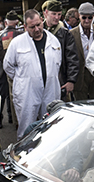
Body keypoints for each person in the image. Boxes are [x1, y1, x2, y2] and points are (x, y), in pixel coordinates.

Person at [4, 9, 62, 139]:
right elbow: (8, 66)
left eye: (38, 25)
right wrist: (23, 79)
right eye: (32, 27)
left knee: (51, 126)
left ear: (42, 20)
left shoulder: (53, 41)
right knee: (26, 128)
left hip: (50, 89)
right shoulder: (17, 43)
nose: (36, 29)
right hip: (27, 92)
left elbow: (58, 64)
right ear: (25, 27)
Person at [42, 0, 79, 101]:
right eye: (53, 14)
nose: (57, 17)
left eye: (59, 14)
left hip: (60, 81)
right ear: (46, 13)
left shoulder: (65, 34)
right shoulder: (38, 31)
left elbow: (72, 59)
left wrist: (71, 81)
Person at [70, 2, 94, 100]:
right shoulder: (72, 34)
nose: (87, 20)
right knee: (81, 105)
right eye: (83, 17)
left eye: (90, 17)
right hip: (80, 76)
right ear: (79, 16)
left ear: (93, 17)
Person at [0, 10, 24, 126]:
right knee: (14, 95)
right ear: (17, 21)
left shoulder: (0, 35)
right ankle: (13, 118)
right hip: (18, 70)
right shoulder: (21, 35)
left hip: (2, 70)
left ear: (6, 22)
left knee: (2, 95)